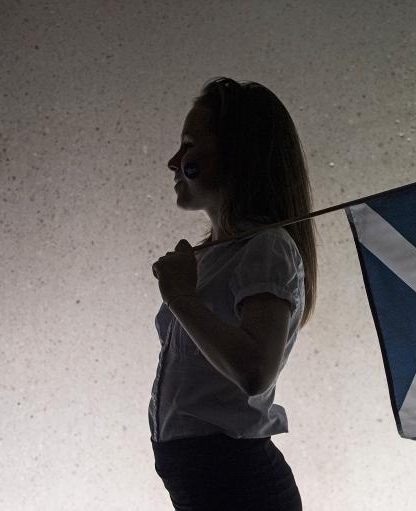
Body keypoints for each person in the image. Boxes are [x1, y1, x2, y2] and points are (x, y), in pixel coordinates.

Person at [148, 77, 318, 511]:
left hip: (239, 489)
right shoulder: (212, 257)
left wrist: (181, 298)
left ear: (236, 153)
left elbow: (255, 370)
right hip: (203, 487)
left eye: (188, 145)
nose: (174, 161)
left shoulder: (267, 248)